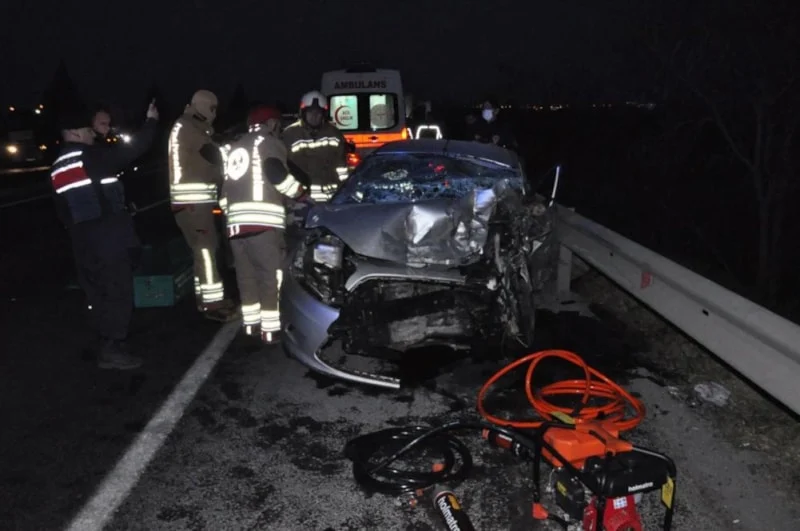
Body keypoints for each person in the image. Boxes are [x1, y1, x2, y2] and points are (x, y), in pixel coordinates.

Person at [51, 100, 159, 370]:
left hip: (81, 239)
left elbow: (63, 209)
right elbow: (134, 149)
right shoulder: (91, 157)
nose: (92, 134)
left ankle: (104, 339)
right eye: (87, 130)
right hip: (107, 238)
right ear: (74, 133)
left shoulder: (58, 165)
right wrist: (151, 121)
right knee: (117, 290)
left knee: (97, 292)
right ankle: (113, 348)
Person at [220, 105, 307, 345]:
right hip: (263, 224)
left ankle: (251, 325)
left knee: (246, 277)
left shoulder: (236, 147)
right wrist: (300, 194)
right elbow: (276, 174)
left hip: (235, 227)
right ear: (271, 123)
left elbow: (225, 193)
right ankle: (271, 330)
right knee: (271, 277)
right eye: (277, 124)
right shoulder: (268, 142)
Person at [167, 89, 237, 322]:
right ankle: (212, 304)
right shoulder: (189, 126)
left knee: (202, 251)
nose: (215, 113)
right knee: (206, 250)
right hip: (193, 203)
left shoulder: (192, 126)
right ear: (203, 106)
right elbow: (212, 154)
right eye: (213, 108)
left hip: (194, 203)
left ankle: (205, 299)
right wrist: (231, 150)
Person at [281, 90, 348, 203]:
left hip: (330, 199)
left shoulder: (334, 134)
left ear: (323, 114)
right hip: (300, 199)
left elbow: (342, 168)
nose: (314, 116)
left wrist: (344, 192)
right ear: (303, 113)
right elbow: (283, 167)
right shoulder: (289, 135)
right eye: (311, 112)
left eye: (318, 113)